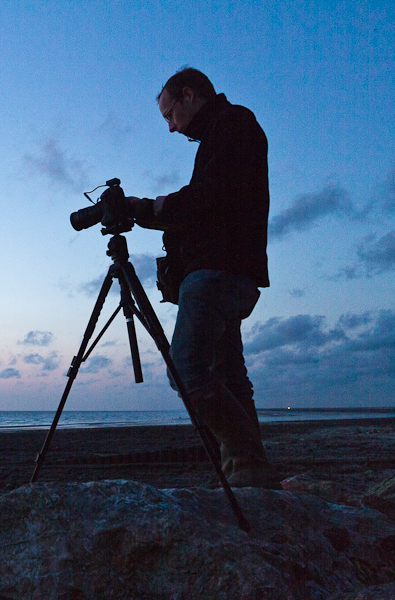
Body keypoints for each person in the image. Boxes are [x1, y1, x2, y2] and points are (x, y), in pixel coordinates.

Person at [130, 67, 280, 489]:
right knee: (230, 375)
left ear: (190, 96)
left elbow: (209, 199)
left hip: (219, 270)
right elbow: (210, 201)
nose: (171, 128)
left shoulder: (234, 124)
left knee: (188, 369)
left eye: (169, 116)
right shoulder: (224, 131)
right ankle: (249, 478)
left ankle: (248, 462)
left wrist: (151, 208)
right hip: (230, 270)